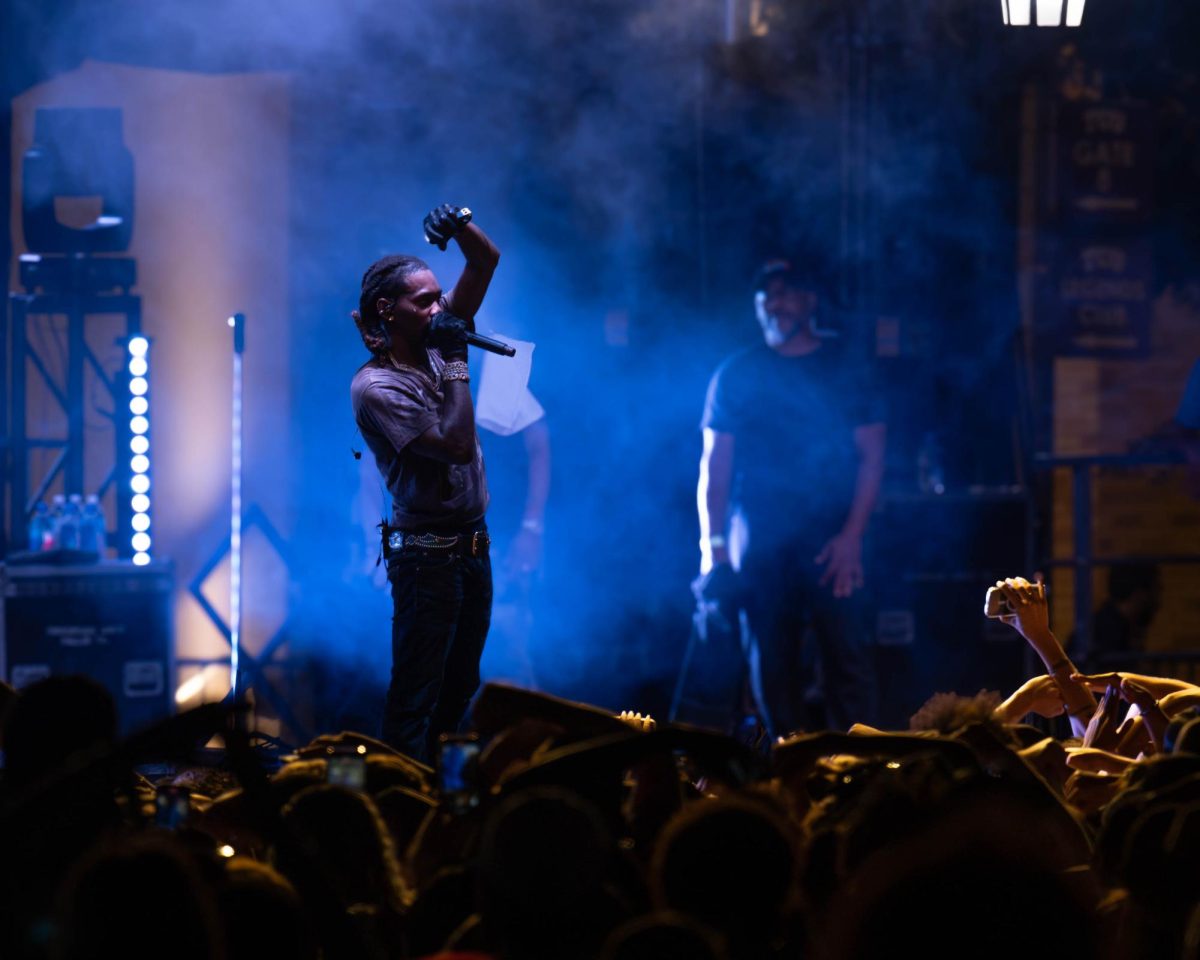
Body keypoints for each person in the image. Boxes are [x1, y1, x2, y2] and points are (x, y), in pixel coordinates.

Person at [695, 258, 886, 736]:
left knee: (846, 658)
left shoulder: (846, 367)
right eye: (765, 297)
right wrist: (713, 548)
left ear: (809, 301)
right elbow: (714, 466)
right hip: (760, 536)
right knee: (771, 664)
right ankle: (788, 770)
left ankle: (855, 771)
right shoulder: (737, 373)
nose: (773, 305)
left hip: (831, 536)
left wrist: (853, 537)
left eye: (784, 294)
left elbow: (873, 457)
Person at [350, 203, 500, 763]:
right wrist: (458, 357)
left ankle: (440, 792)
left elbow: (485, 261)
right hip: (426, 559)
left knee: (462, 685)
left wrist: (459, 223)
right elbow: (456, 446)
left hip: (472, 547)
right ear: (387, 311)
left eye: (440, 297)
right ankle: (401, 799)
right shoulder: (377, 386)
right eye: (425, 301)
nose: (439, 308)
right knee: (417, 695)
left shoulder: (436, 341)